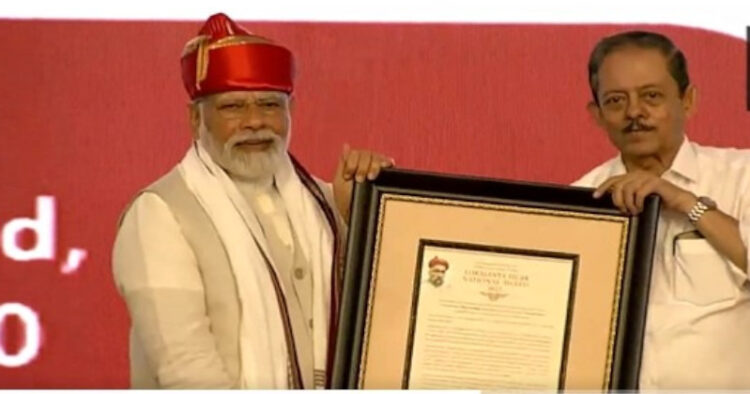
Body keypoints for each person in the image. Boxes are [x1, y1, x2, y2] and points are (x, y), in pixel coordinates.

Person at [111, 13, 392, 389]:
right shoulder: (160, 215)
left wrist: (365, 216)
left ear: (290, 113)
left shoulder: (325, 205)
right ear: (196, 119)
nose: (254, 121)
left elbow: (379, 325)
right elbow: (186, 369)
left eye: (270, 105)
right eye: (233, 107)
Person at [574, 30, 750, 389]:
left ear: (688, 100)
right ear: (597, 114)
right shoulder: (580, 203)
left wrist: (686, 202)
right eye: (616, 100)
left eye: (651, 96)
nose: (634, 112)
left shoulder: (741, 176)